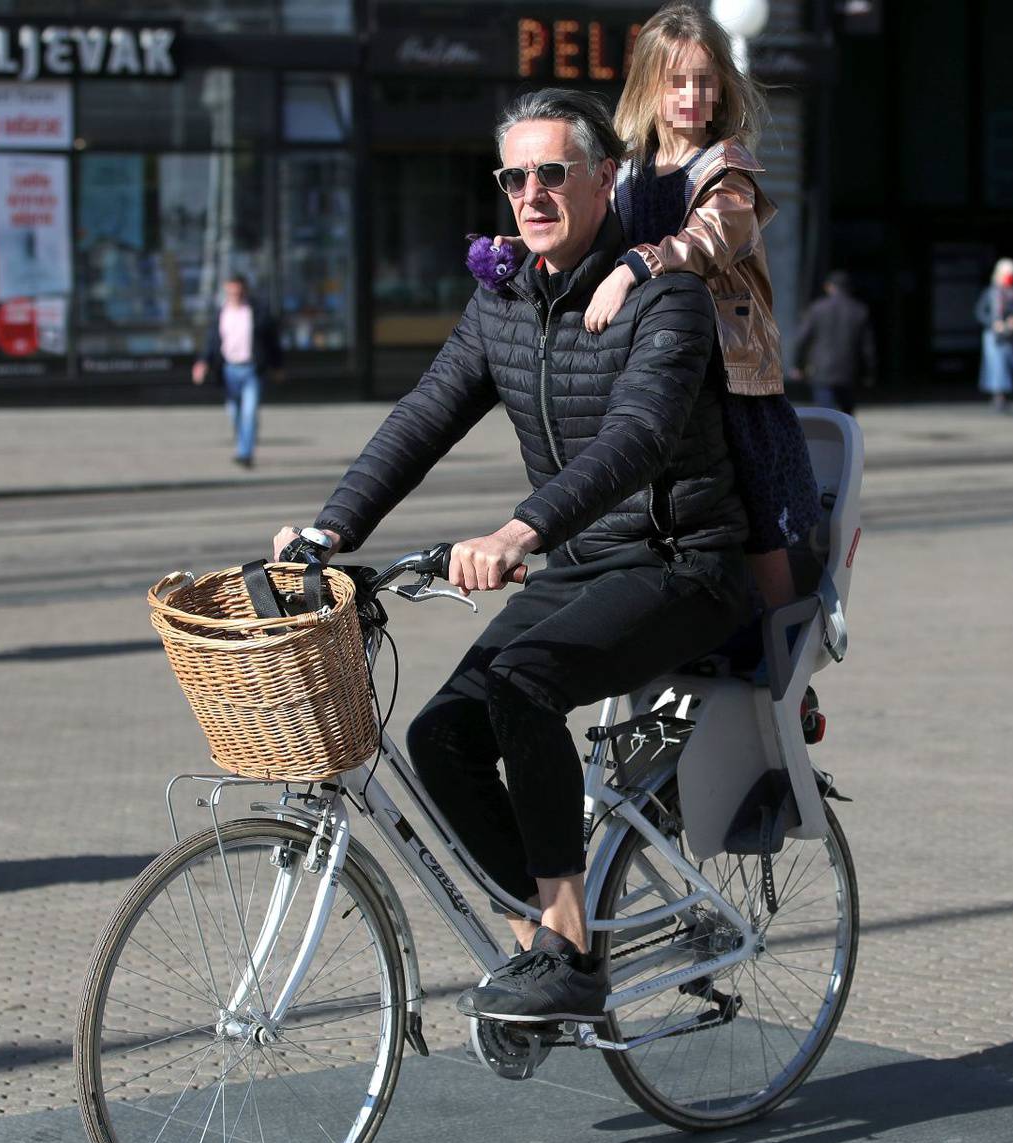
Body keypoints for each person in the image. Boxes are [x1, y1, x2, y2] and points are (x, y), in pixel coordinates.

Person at [274, 88, 749, 1023]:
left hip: (684, 561)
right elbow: (424, 417)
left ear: (605, 178)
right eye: (515, 177)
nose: (531, 194)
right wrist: (332, 530)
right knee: (439, 738)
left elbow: (640, 437)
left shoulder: (668, 295)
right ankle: (541, 940)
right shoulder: (502, 303)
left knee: (523, 680)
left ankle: (571, 949)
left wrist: (516, 531)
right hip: (582, 564)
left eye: (552, 173)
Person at [589, 0, 820, 619]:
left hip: (728, 372)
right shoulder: (628, 172)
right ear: (649, 87)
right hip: (651, 362)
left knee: (756, 513)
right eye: (676, 81)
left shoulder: (728, 169)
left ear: (721, 85)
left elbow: (709, 241)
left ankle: (785, 645)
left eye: (704, 79)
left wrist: (634, 267)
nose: (692, 95)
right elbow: (590, 238)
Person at [191, 274, 284, 469]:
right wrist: (202, 363)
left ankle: (245, 453)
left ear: (245, 290)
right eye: (231, 291)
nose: (235, 294)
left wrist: (277, 366)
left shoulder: (257, 312)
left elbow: (272, 342)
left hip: (252, 368)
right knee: (234, 411)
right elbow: (212, 342)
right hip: (229, 369)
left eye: (238, 290)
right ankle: (242, 445)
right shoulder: (221, 313)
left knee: (249, 412)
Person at [790, 270, 876, 415]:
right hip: (848, 372)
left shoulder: (817, 308)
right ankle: (847, 437)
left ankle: (827, 436)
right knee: (847, 417)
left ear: (829, 287)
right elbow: (868, 348)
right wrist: (869, 373)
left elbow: (802, 340)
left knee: (825, 415)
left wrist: (798, 366)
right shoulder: (859, 310)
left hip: (822, 371)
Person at [977, 258, 1013, 411]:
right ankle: (998, 396)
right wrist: (993, 324)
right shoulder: (991, 293)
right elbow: (980, 312)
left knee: (1011, 363)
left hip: (1010, 335)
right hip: (994, 335)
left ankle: (1006, 393)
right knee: (997, 366)